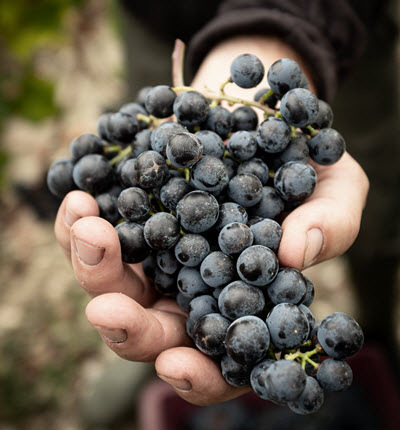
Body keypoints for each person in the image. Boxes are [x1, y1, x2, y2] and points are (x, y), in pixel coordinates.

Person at [54, 0, 398, 407]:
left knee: (380, 215)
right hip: (155, 16)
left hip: (341, 34)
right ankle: (145, 354)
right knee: (139, 277)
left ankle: (379, 325)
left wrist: (290, 24)